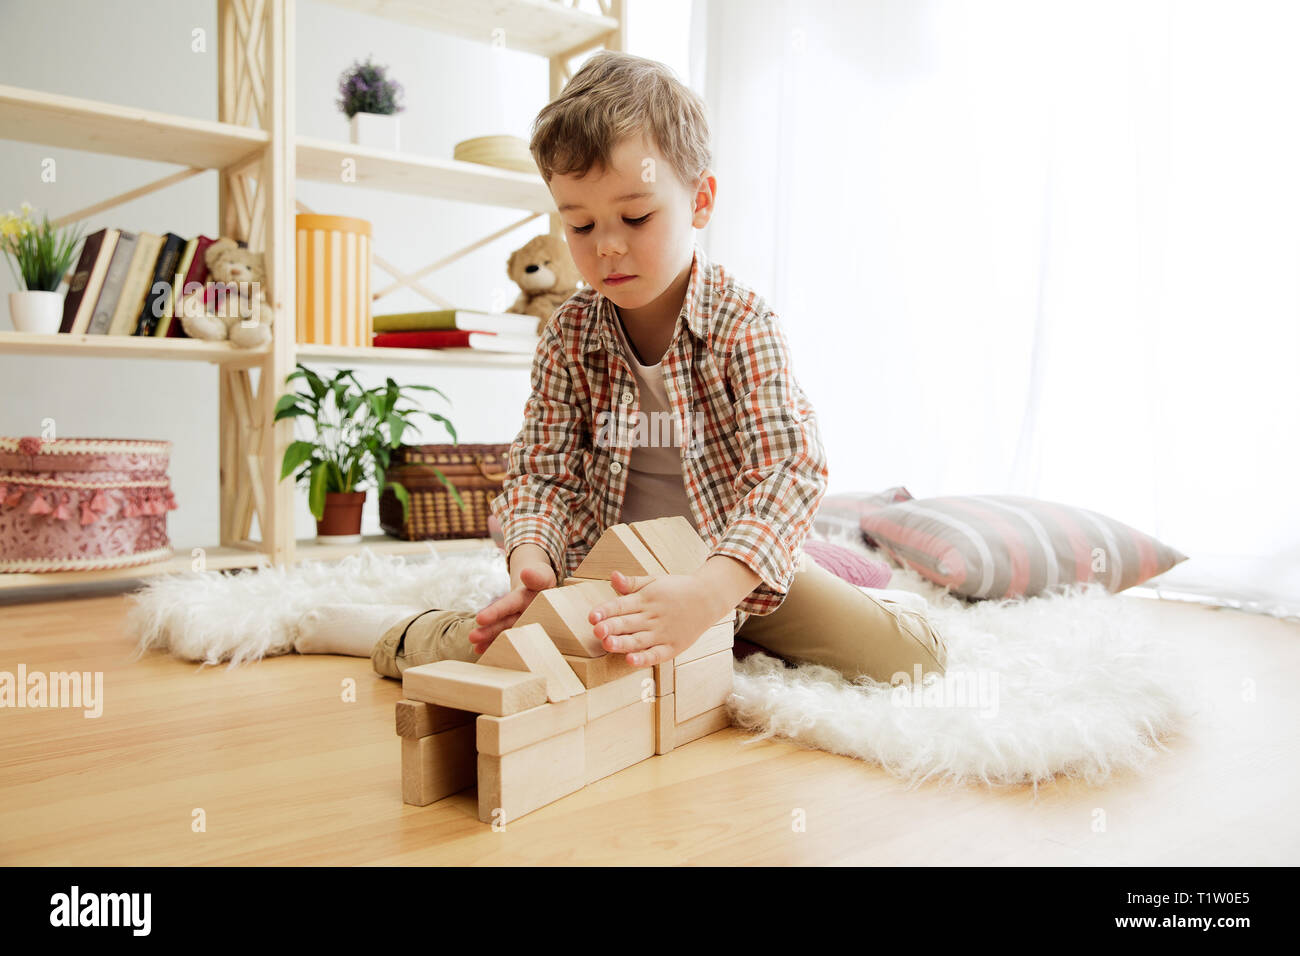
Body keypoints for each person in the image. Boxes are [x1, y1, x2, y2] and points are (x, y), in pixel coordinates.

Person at [349, 51, 948, 685]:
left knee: (915, 663)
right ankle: (399, 628)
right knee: (518, 660)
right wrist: (533, 566)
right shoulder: (568, 336)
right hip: (610, 570)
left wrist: (707, 594)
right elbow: (540, 473)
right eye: (579, 225)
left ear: (701, 199)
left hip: (724, 567)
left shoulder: (742, 321)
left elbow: (788, 469)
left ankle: (822, 598)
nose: (606, 245)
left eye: (636, 217)